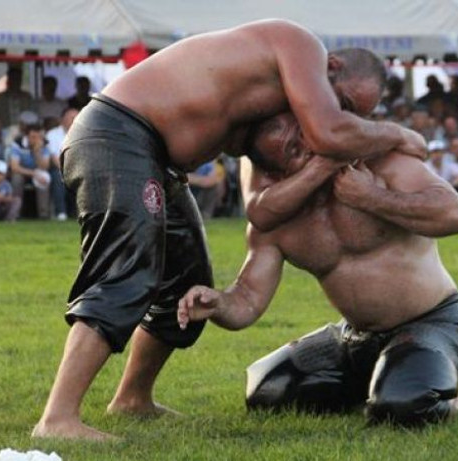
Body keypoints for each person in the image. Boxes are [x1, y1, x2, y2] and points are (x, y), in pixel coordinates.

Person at [32, 19, 426, 441]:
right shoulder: (298, 44)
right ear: (330, 66)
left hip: (157, 158)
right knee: (125, 273)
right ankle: (57, 419)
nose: (345, 117)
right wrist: (395, 134)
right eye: (344, 101)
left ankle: (132, 398)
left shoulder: (274, 103)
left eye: (355, 114)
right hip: (118, 134)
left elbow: (263, 208)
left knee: (187, 280)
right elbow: (330, 132)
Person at [177, 112, 458, 427]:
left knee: (402, 407)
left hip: (432, 322)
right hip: (354, 338)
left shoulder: (376, 164)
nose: (308, 147)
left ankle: (434, 392)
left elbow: (453, 214)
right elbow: (247, 300)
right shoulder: (275, 220)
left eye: (305, 133)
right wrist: (216, 304)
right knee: (267, 391)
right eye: (293, 150)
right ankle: (386, 378)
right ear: (276, 172)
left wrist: (372, 197)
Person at [9, 124, 51, 219]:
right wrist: (33, 174)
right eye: (33, 137)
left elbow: (45, 167)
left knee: (44, 178)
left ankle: (43, 214)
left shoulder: (44, 144)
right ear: (27, 136)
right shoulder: (18, 143)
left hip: (38, 170)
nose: (36, 140)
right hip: (22, 171)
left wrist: (37, 152)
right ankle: (15, 212)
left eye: (38, 137)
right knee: (16, 179)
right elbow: (15, 167)